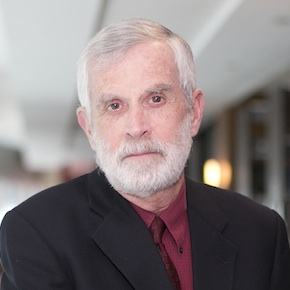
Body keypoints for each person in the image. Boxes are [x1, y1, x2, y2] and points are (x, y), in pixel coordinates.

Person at [0, 18, 290, 290]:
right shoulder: (35, 232)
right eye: (114, 105)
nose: (136, 128)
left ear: (194, 112)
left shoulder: (261, 231)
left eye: (155, 99)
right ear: (89, 128)